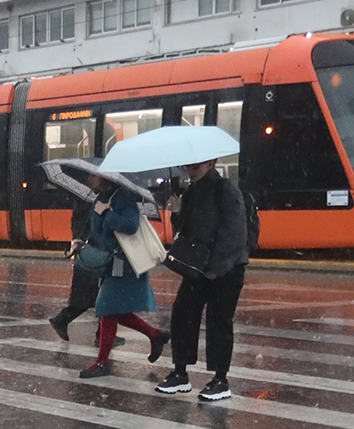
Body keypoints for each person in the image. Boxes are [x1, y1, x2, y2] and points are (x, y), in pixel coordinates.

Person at [156, 159, 247, 401]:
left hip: (226, 268)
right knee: (182, 313)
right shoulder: (191, 192)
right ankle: (180, 372)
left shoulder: (226, 190)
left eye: (196, 166)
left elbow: (235, 232)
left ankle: (220, 379)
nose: (191, 170)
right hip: (198, 267)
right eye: (188, 166)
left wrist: (217, 267)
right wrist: (178, 212)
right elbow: (185, 231)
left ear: (211, 163)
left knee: (219, 322)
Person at [77, 175, 169, 379]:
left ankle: (102, 362)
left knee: (106, 308)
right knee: (112, 310)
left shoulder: (124, 197)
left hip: (124, 263)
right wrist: (84, 242)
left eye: (93, 176)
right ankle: (155, 335)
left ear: (106, 178)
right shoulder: (101, 197)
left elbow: (131, 225)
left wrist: (107, 213)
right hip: (109, 263)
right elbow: (98, 230)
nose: (89, 180)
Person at [49, 178, 123, 348]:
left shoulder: (89, 196)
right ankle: (100, 335)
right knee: (102, 295)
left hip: (89, 251)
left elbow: (79, 220)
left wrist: (78, 238)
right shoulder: (99, 199)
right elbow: (91, 223)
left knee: (93, 295)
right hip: (97, 252)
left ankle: (69, 322)